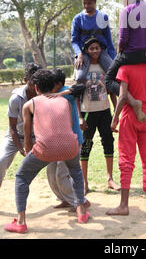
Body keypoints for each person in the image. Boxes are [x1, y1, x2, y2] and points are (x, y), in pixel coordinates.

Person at [4, 69, 89, 234]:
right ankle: (81, 212)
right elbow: (68, 127)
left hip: (45, 149)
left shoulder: (30, 104)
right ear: (54, 86)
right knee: (76, 173)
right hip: (71, 146)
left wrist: (30, 154)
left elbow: (28, 139)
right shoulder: (64, 100)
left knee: (22, 176)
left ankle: (21, 222)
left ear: (36, 88)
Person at [106, 61, 146, 216]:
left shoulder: (125, 68)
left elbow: (123, 95)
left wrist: (115, 117)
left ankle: (124, 205)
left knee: (126, 159)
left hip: (130, 116)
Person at [105, 0, 146, 127]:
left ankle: (133, 102)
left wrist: (119, 52)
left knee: (108, 78)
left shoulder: (127, 10)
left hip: (132, 55)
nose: (122, 2)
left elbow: (123, 38)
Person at [74, 37, 120, 195]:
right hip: (87, 112)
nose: (94, 51)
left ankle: (110, 178)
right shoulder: (82, 67)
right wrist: (80, 117)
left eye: (97, 48)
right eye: (91, 49)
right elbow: (76, 95)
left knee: (108, 142)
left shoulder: (105, 67)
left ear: (101, 49)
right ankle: (85, 182)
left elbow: (111, 91)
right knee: (86, 145)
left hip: (104, 111)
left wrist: (115, 113)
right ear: (86, 51)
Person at [46, 68, 90, 210]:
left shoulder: (67, 92)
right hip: (56, 141)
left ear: (58, 84)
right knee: (51, 172)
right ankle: (65, 199)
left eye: (51, 83)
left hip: (71, 140)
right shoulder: (50, 94)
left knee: (62, 174)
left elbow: (82, 86)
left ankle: (81, 202)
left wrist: (62, 93)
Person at [0, 63, 41, 188]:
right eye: (32, 82)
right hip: (16, 136)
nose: (35, 87)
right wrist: (20, 148)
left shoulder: (43, 95)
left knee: (56, 163)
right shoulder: (16, 99)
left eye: (37, 83)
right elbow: (12, 127)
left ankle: (66, 198)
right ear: (25, 80)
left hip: (37, 136)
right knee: (1, 161)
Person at [71, 0, 116, 80]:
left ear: (95, 1)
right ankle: (79, 94)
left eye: (89, 3)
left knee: (114, 74)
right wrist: (79, 54)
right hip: (84, 53)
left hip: (101, 52)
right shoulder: (77, 19)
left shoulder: (103, 17)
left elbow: (109, 40)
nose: (86, 6)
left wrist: (114, 59)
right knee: (80, 77)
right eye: (84, 3)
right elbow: (74, 41)